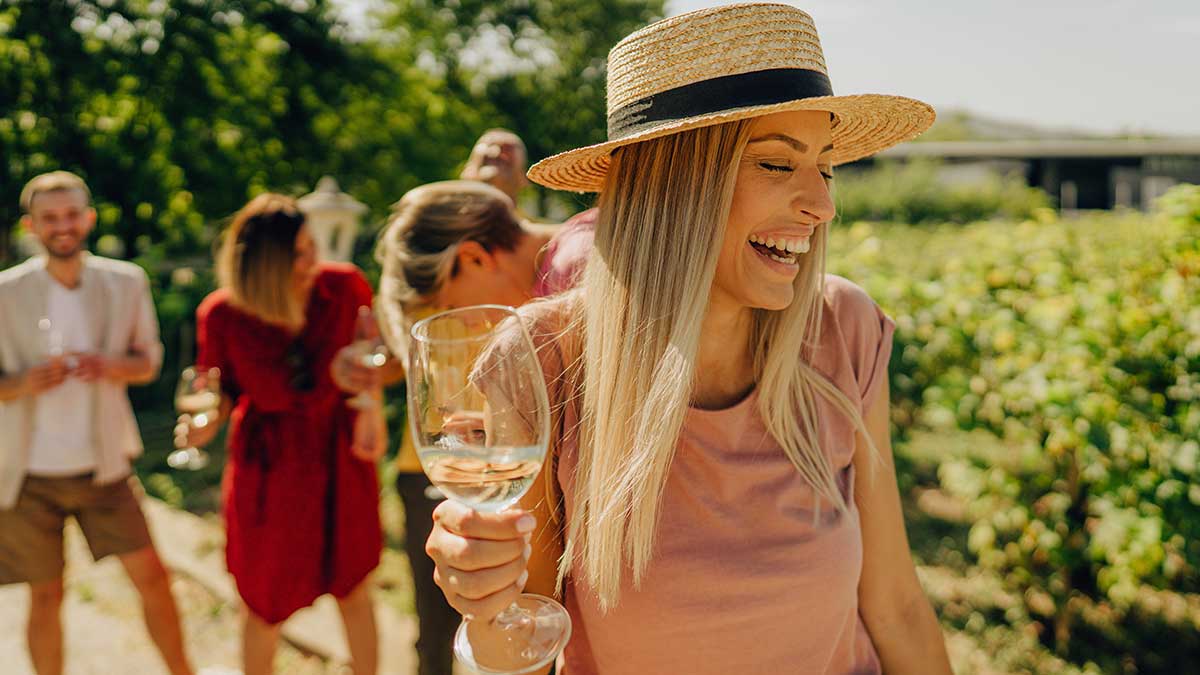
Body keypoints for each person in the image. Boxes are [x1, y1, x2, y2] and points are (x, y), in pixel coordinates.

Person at [423, 4, 954, 674]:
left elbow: (897, 606)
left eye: (826, 166)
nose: (823, 205)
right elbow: (519, 644)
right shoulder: (545, 359)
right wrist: (484, 604)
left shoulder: (845, 329)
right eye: (776, 164)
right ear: (671, 184)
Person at [331, 179, 594, 675]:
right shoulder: (573, 247)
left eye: (452, 307)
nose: (470, 326)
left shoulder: (571, 270)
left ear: (473, 256)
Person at [0, 171, 194, 675]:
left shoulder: (125, 281)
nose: (62, 226)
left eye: (71, 215)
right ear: (31, 225)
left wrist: (108, 366)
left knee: (153, 578)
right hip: (28, 476)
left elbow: (148, 362)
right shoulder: (6, 291)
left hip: (104, 467)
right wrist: (23, 382)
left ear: (87, 219)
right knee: (45, 597)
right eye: (50, 218)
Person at [184, 193, 386, 675]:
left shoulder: (343, 287)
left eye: (311, 244)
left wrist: (370, 411)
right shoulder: (223, 314)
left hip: (338, 455)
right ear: (262, 265)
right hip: (270, 470)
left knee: (355, 586)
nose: (312, 259)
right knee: (262, 604)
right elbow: (219, 390)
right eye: (297, 253)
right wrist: (204, 420)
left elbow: (374, 358)